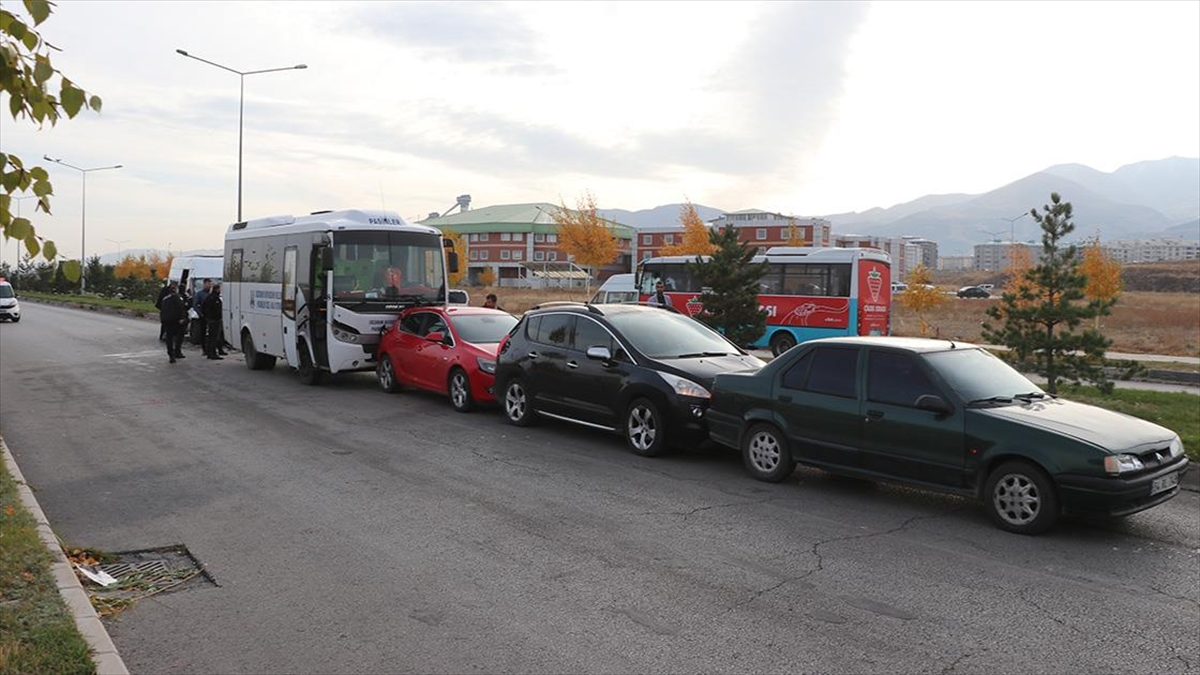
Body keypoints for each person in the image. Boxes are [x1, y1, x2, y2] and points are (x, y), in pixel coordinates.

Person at [159, 281, 188, 363]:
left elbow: (162, 309)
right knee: (178, 336)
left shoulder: (165, 298)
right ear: (175, 289)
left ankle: (171, 354)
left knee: (169, 338)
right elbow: (181, 308)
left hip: (167, 321)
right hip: (175, 321)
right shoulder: (177, 297)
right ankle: (176, 352)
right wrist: (182, 318)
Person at [202, 282, 226, 360]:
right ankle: (213, 354)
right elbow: (212, 309)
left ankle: (210, 353)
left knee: (212, 337)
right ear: (217, 289)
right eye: (219, 289)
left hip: (212, 319)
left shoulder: (211, 297)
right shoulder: (214, 298)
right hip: (214, 320)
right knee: (213, 338)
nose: (220, 291)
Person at [193, 278, 213, 347]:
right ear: (204, 284)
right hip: (203, 316)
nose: (209, 286)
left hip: (211, 316)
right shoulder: (200, 294)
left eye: (210, 284)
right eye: (208, 284)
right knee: (203, 332)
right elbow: (195, 305)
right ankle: (204, 347)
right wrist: (200, 314)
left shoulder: (211, 294)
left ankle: (210, 347)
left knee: (212, 333)